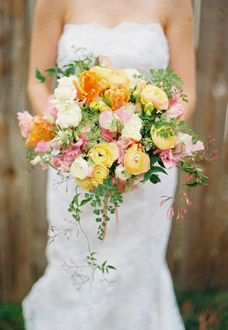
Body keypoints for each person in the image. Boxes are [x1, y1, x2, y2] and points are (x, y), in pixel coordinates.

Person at [22, 0, 195, 329]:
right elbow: (36, 81)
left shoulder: (174, 3)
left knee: (136, 268)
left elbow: (188, 90)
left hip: (147, 172)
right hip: (75, 169)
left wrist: (147, 150)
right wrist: (74, 142)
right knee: (74, 266)